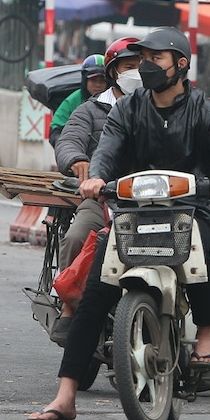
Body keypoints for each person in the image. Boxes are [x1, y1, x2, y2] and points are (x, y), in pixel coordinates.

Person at [26, 28, 210, 420]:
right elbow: (106, 150)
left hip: (190, 209)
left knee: (204, 255)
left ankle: (206, 333)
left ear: (180, 64)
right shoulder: (126, 108)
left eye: (156, 58)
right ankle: (66, 395)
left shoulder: (204, 109)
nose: (147, 65)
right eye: (144, 58)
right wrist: (95, 178)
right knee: (94, 295)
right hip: (132, 212)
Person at [48, 36, 144, 343]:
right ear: (114, 72)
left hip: (153, 202)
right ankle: (70, 307)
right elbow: (68, 140)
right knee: (77, 237)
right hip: (103, 199)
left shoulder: (162, 108)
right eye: (130, 67)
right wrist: (77, 161)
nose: (138, 73)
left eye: (144, 66)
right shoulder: (90, 110)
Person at [49, 54, 108, 145]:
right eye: (93, 80)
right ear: (85, 80)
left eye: (102, 80)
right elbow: (56, 129)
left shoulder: (116, 98)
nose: (98, 84)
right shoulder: (72, 100)